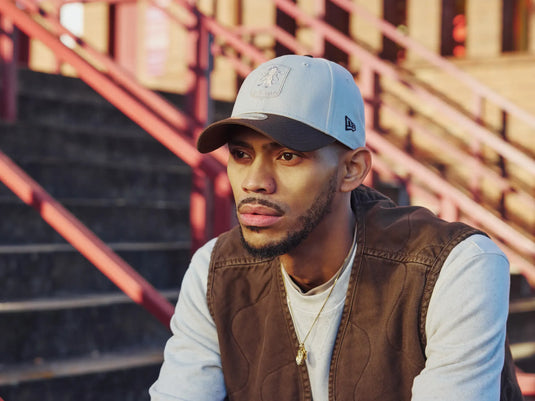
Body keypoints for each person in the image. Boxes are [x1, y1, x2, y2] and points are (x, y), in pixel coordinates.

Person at [149, 55, 523, 400]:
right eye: (241, 154)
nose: (254, 182)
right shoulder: (215, 271)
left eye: (287, 156)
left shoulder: (453, 268)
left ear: (351, 170)